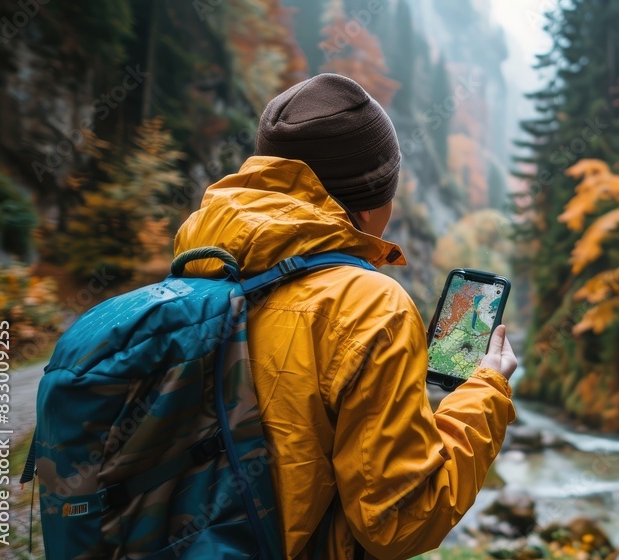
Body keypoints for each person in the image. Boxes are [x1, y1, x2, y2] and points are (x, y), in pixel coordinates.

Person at [174, 74, 517, 560]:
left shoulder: (194, 269)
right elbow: (400, 520)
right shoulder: (371, 308)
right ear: (371, 202)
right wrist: (487, 391)